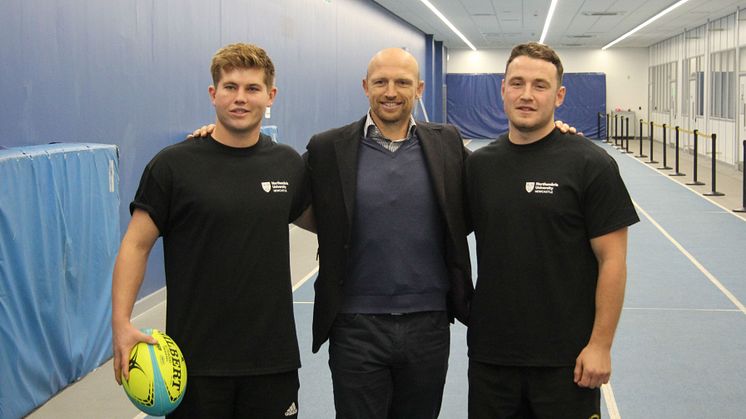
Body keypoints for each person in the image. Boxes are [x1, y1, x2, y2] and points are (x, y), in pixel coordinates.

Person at [111, 43, 308, 418]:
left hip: (272, 362)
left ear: (271, 96)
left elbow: (328, 221)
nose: (240, 98)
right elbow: (135, 246)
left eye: (252, 88)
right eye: (230, 87)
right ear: (213, 94)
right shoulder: (172, 166)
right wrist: (121, 323)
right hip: (194, 366)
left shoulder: (287, 164)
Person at [465, 42, 640, 419]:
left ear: (559, 95)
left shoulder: (591, 164)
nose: (527, 95)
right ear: (503, 89)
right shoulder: (478, 167)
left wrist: (600, 345)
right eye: (517, 83)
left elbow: (613, 261)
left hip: (568, 362)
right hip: (492, 359)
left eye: (540, 85)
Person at [304, 47, 473, 419]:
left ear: (420, 88)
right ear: (366, 86)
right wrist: (217, 139)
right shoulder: (328, 147)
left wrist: (553, 136)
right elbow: (284, 193)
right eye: (381, 81)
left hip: (428, 323)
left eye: (402, 82)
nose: (391, 91)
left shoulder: (448, 144)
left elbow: (492, 187)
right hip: (354, 325)